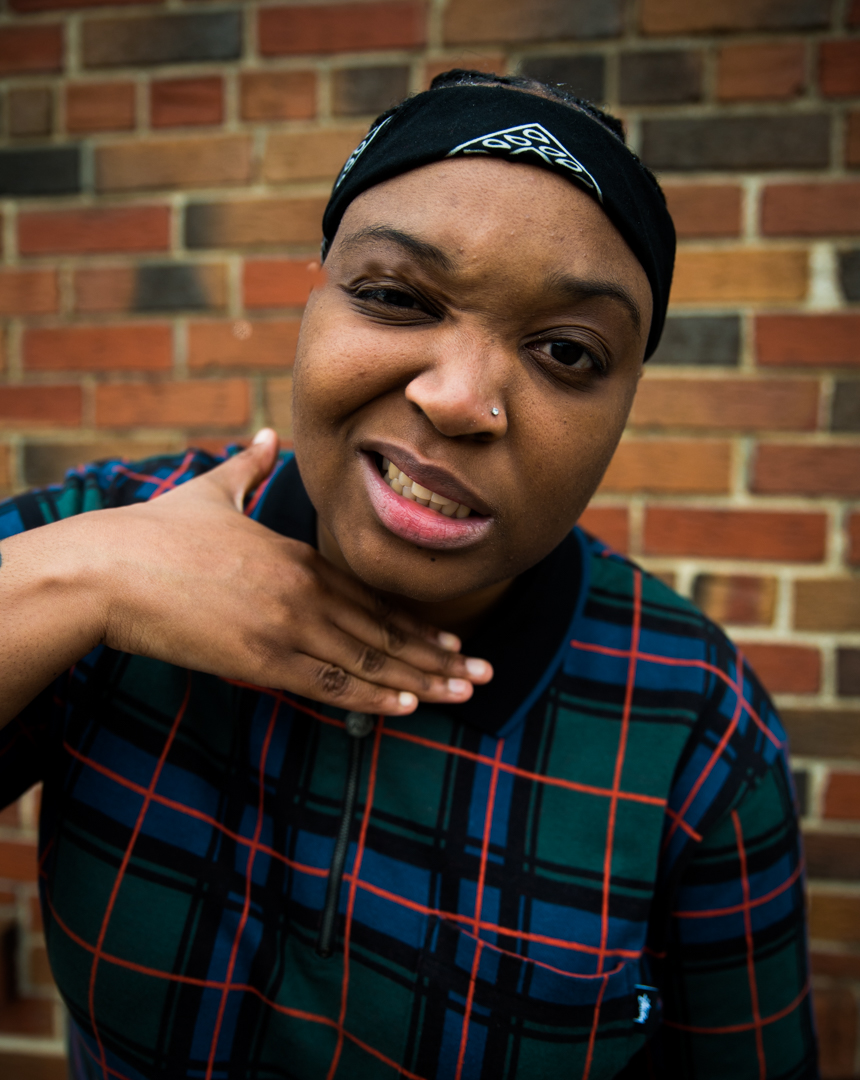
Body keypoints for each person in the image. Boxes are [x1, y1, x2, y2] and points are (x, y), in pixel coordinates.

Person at [0, 71, 816, 1079]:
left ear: (626, 406)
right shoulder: (107, 541)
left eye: (567, 352)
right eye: (393, 297)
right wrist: (84, 581)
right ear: (313, 299)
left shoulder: (693, 724)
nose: (459, 398)